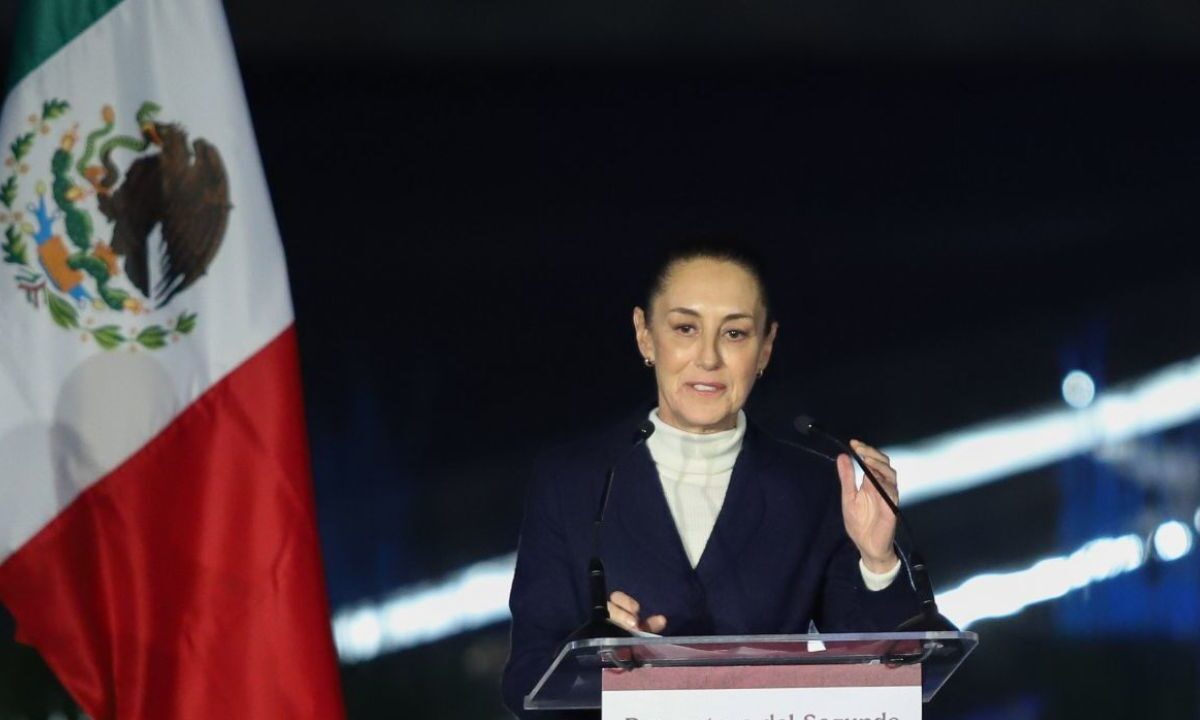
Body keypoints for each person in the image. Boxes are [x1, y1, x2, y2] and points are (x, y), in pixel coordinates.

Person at [501, 240, 921, 718]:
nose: (708, 358)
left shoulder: (815, 488)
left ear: (765, 347)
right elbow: (524, 680)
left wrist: (878, 559)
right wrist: (593, 655)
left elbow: (888, 676)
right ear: (644, 334)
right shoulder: (571, 482)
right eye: (685, 328)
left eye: (735, 334)